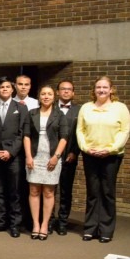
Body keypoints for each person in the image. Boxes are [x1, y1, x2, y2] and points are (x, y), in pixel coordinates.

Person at [76, 76, 130, 243]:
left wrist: (110, 149)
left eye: (105, 87)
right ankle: (90, 228)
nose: (101, 90)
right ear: (94, 90)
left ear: (111, 89)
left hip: (111, 156)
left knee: (107, 192)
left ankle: (106, 230)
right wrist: (85, 148)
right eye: (98, 87)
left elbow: (124, 131)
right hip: (90, 154)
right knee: (92, 192)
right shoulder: (86, 107)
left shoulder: (120, 108)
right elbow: (80, 130)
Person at [24, 85, 68, 241]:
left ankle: (45, 225)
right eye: (43, 94)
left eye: (49, 94)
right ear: (39, 96)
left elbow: (64, 137)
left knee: (49, 192)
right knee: (34, 191)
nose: (46, 96)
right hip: (34, 157)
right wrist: (28, 156)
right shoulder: (32, 113)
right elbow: (27, 136)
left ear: (54, 96)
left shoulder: (59, 115)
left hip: (52, 158)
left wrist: (56, 156)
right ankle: (36, 224)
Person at [0, 77, 29, 238]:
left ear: (13, 90)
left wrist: (10, 152)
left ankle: (14, 224)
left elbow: (22, 133)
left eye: (7, 87)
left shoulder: (21, 108)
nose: (4, 89)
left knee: (14, 192)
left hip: (14, 157)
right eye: (1, 87)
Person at [53, 79, 81, 235]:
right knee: (49, 191)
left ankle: (63, 221)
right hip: (51, 157)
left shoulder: (80, 110)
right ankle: (50, 220)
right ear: (58, 92)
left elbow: (82, 133)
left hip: (69, 156)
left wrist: (74, 152)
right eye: (63, 89)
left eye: (69, 89)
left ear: (73, 92)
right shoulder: (49, 108)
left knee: (65, 191)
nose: (65, 91)